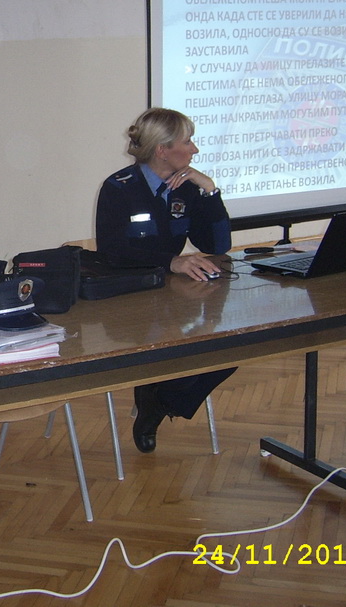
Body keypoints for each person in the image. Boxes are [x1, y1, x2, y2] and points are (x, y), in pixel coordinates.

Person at [95, 107, 236, 453]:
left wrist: (209, 190)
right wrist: (171, 261)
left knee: (230, 347)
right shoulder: (119, 188)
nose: (194, 149)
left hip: (173, 298)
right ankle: (155, 400)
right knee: (177, 352)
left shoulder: (186, 188)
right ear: (162, 150)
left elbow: (218, 245)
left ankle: (157, 403)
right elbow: (113, 252)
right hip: (128, 300)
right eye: (187, 142)